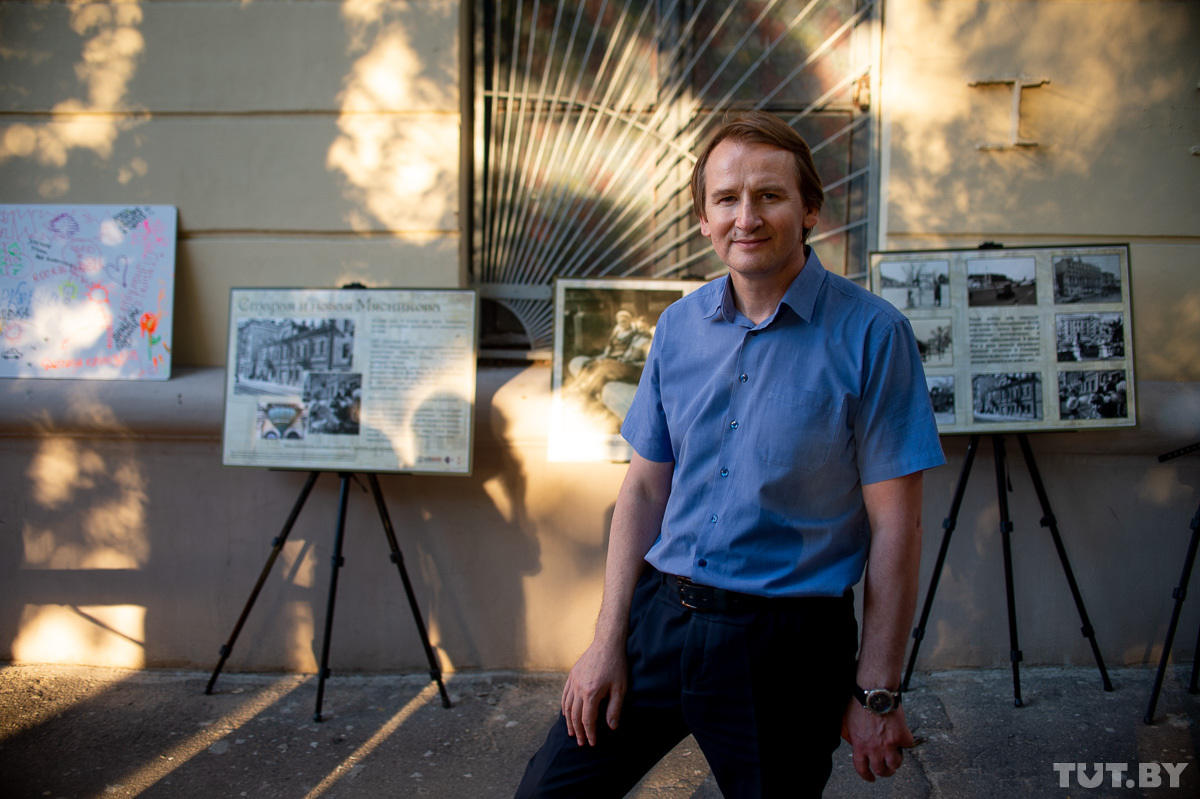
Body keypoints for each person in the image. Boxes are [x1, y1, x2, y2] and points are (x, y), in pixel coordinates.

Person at [516, 110, 945, 798]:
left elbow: (898, 524)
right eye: (726, 199)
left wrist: (877, 691)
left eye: (769, 195)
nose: (747, 217)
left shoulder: (873, 336)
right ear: (704, 218)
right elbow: (644, 491)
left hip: (785, 646)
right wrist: (605, 640)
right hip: (661, 619)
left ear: (809, 209)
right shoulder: (677, 327)